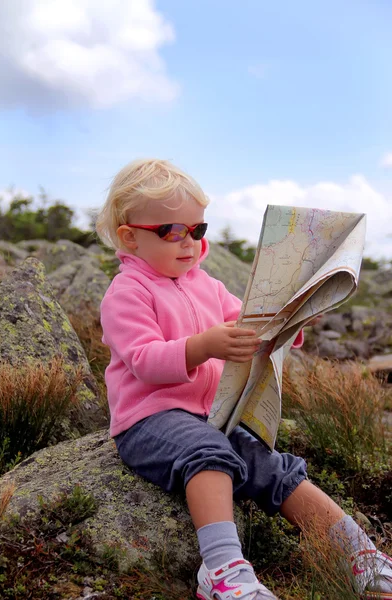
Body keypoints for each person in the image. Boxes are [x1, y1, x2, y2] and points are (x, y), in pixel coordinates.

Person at [96, 159, 392, 600]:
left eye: (198, 230)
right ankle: (222, 569)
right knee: (207, 452)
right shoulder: (128, 291)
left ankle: (361, 555)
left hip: (211, 414)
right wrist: (203, 347)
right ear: (130, 237)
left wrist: (284, 327)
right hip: (150, 420)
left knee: (273, 465)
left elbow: (248, 319)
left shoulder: (207, 285)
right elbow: (142, 360)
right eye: (172, 231)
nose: (190, 243)